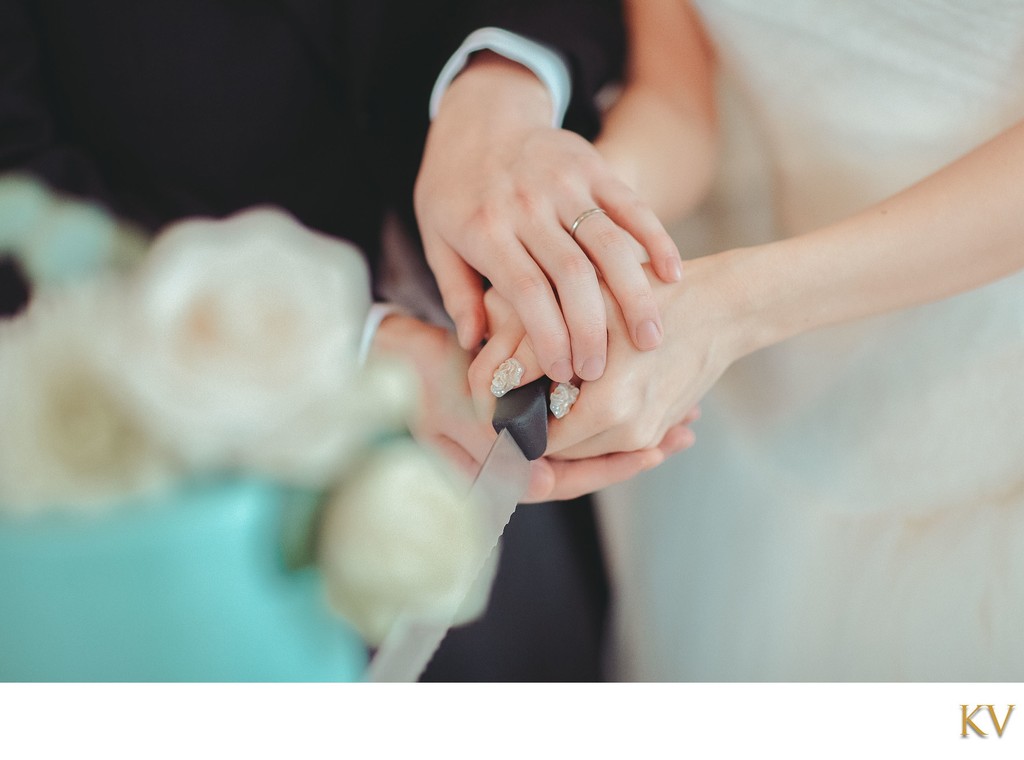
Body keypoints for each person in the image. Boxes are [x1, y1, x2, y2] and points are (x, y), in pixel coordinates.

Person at [0, 0, 694, 680]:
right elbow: (20, 201)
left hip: (525, 418)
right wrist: (362, 353)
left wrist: (499, 80)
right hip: (186, 489)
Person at [473, 0, 1024, 680]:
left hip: (982, 391)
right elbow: (675, 102)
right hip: (765, 374)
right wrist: (580, 235)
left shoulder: (731, 310)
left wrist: (738, 307)